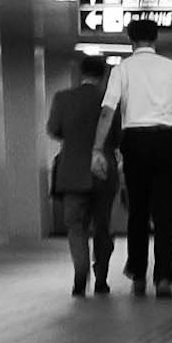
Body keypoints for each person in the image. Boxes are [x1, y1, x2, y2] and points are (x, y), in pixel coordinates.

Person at [92, 15, 172, 297]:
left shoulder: (122, 69)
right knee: (165, 213)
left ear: (130, 39)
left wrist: (96, 149)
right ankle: (164, 279)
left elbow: (107, 112)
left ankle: (139, 275)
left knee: (137, 211)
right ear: (156, 38)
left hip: (135, 142)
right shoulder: (171, 68)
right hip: (167, 141)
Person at [49, 57, 115, 295]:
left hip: (73, 172)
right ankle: (102, 278)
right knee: (103, 226)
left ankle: (80, 272)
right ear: (104, 74)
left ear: (80, 72)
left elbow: (53, 129)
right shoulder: (109, 101)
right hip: (103, 172)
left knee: (75, 226)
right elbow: (118, 136)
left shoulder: (63, 98)